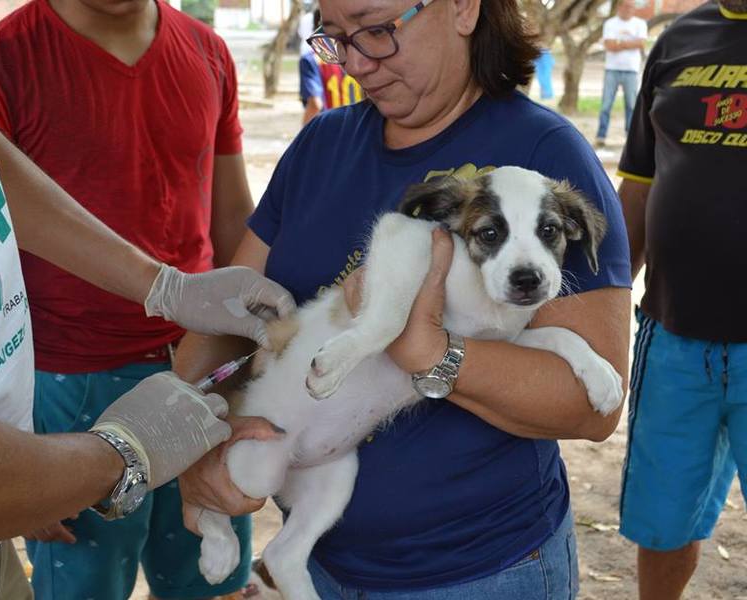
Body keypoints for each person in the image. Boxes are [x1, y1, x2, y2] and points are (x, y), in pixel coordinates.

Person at [176, 0, 633, 597]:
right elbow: (228, 319)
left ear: (464, 9)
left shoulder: (544, 155)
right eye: (335, 37)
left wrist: (430, 353)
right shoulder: (321, 142)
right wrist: (185, 447)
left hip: (483, 571)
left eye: (377, 30)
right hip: (325, 564)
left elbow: (589, 407)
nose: (357, 62)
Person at [0, 0, 293, 597]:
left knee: (209, 571)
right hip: (71, 384)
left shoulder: (204, 51)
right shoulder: (8, 52)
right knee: (87, 582)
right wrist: (26, 463)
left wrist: (174, 291)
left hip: (202, 366)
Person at [616, 1, 747, 598]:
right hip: (672, 340)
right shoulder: (677, 39)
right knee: (662, 525)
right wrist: (603, 297)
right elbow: (640, 186)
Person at [595, 0, 647, 148]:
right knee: (606, 105)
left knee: (631, 106)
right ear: (619, 7)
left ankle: (630, 138)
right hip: (612, 69)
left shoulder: (640, 24)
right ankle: (601, 135)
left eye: (631, 7)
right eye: (625, 6)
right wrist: (630, 43)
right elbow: (609, 45)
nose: (628, 9)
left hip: (631, 70)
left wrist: (620, 43)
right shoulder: (610, 23)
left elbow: (642, 44)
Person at [299, 8, 363, 125]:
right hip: (360, 127)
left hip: (331, 129)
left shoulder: (311, 60)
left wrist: (305, 136)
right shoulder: (360, 55)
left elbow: (315, 103)